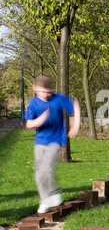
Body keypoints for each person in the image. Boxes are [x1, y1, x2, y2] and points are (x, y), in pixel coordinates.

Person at [23, 75, 80, 214]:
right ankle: (46, 199)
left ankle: (53, 195)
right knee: (38, 175)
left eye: (49, 92)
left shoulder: (58, 99)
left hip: (55, 140)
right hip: (40, 141)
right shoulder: (33, 103)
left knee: (46, 168)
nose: (47, 95)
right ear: (35, 89)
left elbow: (75, 103)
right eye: (43, 92)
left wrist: (76, 124)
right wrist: (40, 120)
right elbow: (29, 124)